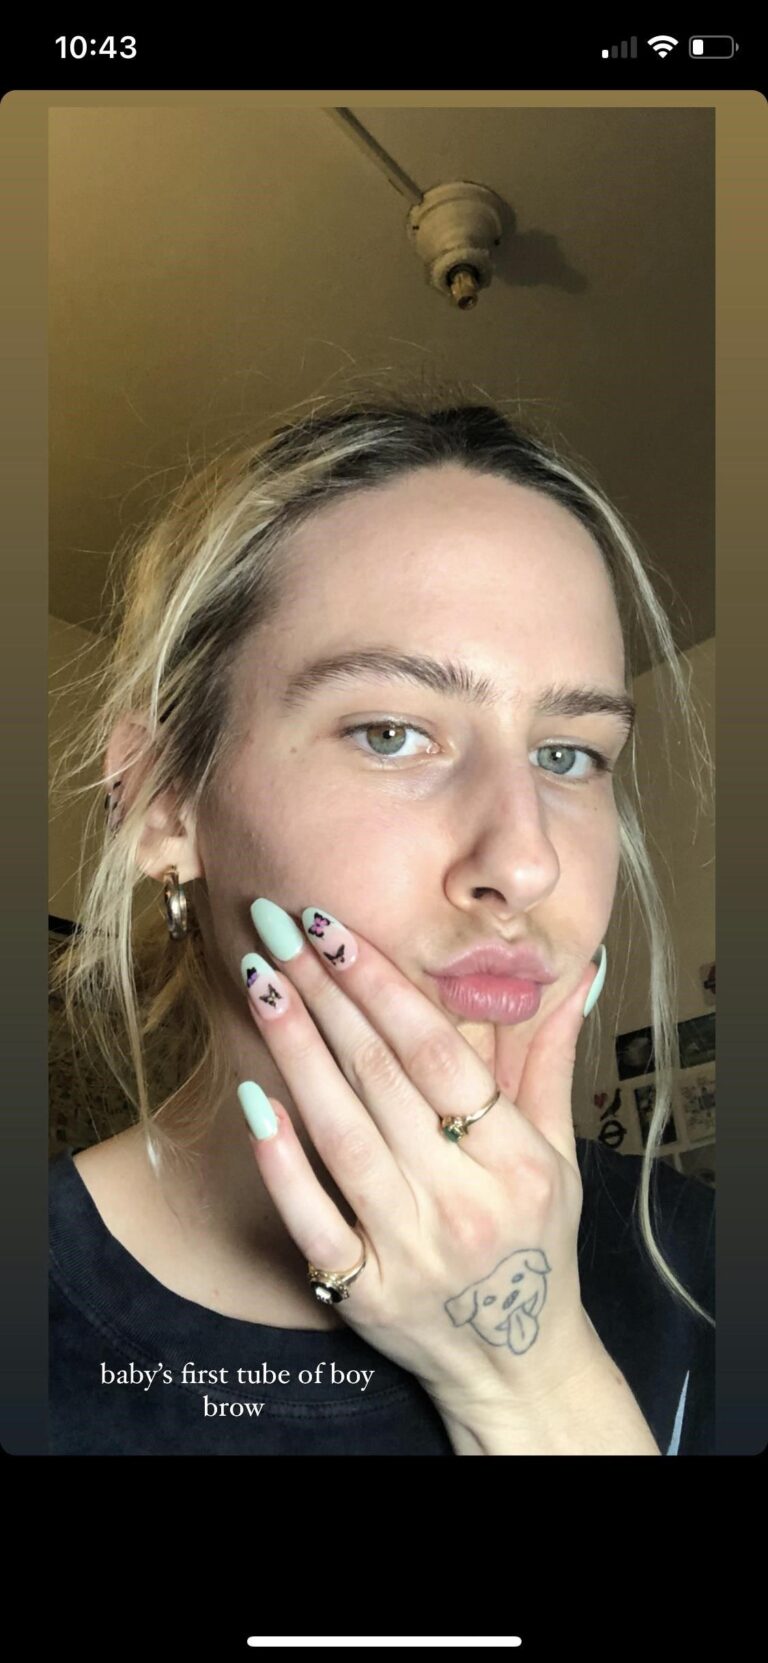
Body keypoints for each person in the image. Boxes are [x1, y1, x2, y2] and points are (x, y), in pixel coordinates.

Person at [49, 385, 715, 1456]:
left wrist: (536, 1384)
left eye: (568, 754)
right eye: (393, 733)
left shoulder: (712, 1266)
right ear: (165, 802)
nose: (527, 862)